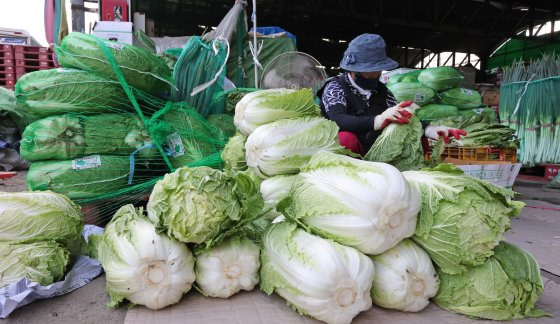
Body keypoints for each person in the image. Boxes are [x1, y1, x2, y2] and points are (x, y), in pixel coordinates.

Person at [319, 33, 466, 155]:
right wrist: (378, 120)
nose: (374, 74)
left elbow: (402, 116)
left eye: (377, 71)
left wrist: (429, 129)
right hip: (346, 154)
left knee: (419, 140)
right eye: (368, 71)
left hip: (376, 148)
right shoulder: (335, 87)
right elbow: (338, 120)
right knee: (345, 139)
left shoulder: (383, 91)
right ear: (352, 69)